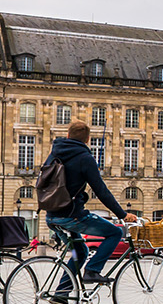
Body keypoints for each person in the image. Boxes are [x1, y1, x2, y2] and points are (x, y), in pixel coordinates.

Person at [44, 122, 137, 286]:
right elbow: (101, 191)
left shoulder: (54, 154)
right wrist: (123, 214)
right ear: (87, 139)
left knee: (80, 252)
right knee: (114, 233)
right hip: (72, 216)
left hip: (51, 216)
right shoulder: (85, 158)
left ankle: (61, 293)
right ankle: (92, 271)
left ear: (67, 136)